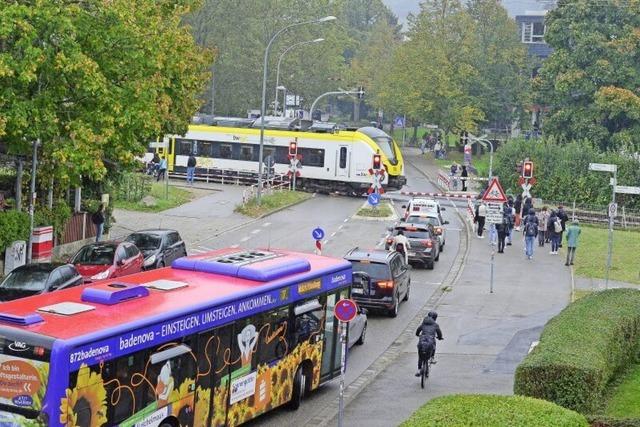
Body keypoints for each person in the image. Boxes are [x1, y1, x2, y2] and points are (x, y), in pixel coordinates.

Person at [415, 311, 443, 377]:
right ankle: (432, 357)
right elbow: (439, 333)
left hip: (422, 339)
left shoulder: (423, 323)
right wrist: (440, 337)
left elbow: (418, 330)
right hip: (430, 340)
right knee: (433, 345)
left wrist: (417, 334)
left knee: (420, 356)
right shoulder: (435, 325)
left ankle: (419, 369)